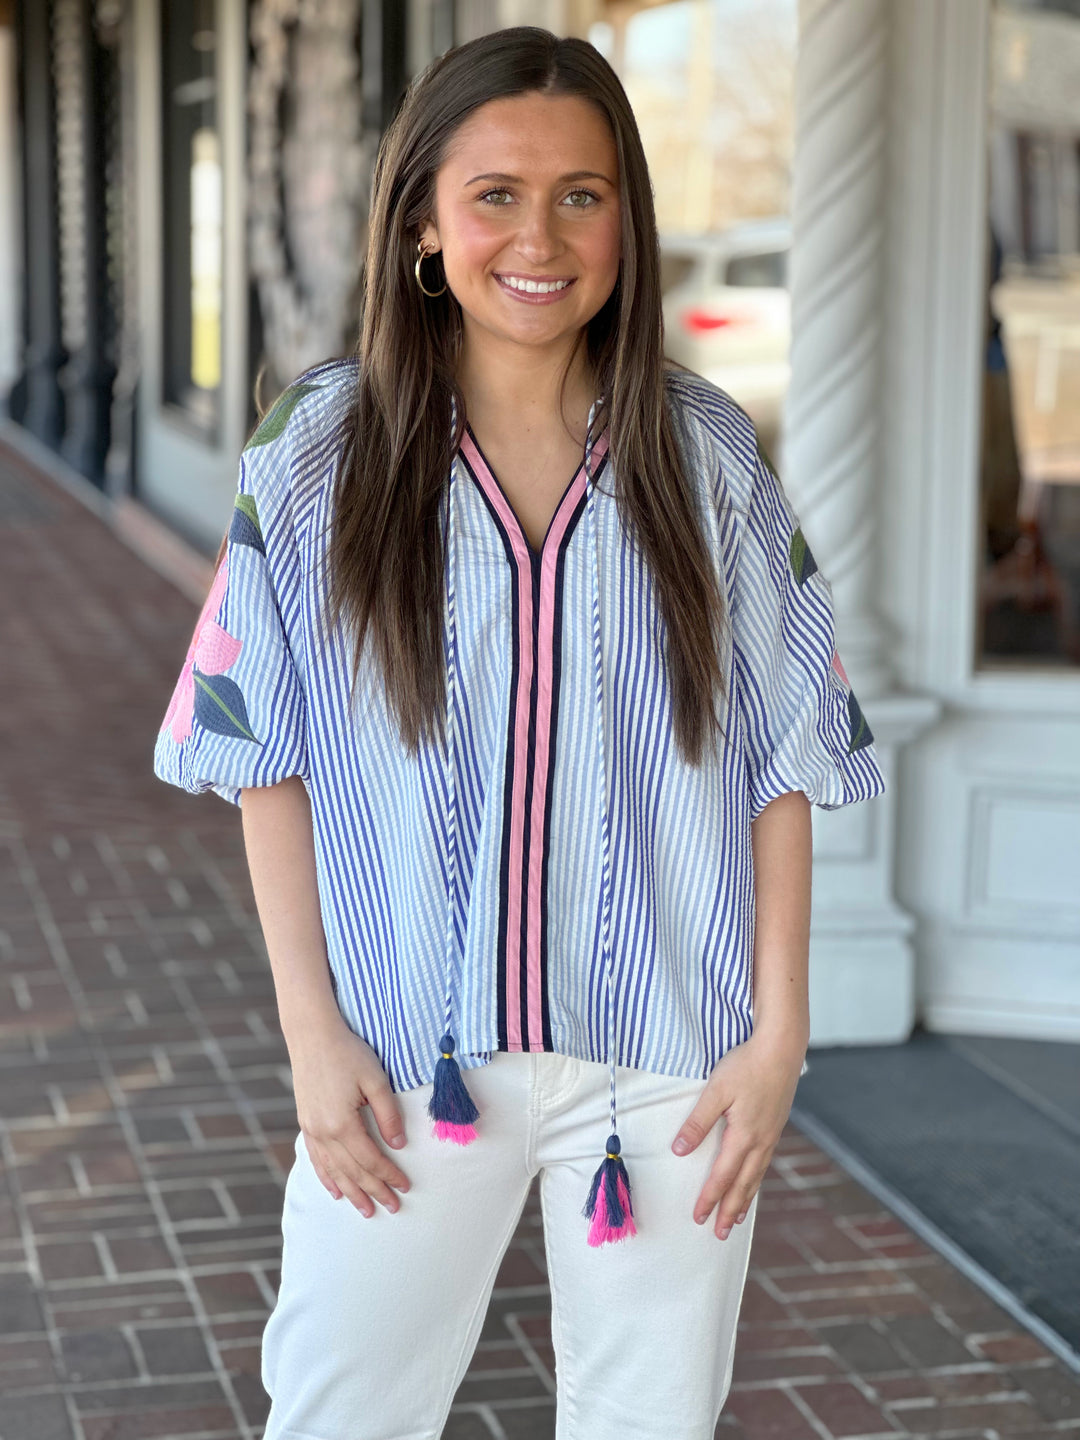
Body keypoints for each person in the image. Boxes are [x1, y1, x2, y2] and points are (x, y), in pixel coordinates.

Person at [153, 26, 886, 1440]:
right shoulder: (317, 452)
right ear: (424, 220)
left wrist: (781, 1032)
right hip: (404, 1064)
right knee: (340, 1415)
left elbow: (786, 754)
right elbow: (265, 754)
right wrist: (311, 1039)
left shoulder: (707, 454)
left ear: (627, 219)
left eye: (582, 194)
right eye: (496, 194)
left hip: (673, 1071)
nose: (539, 236)